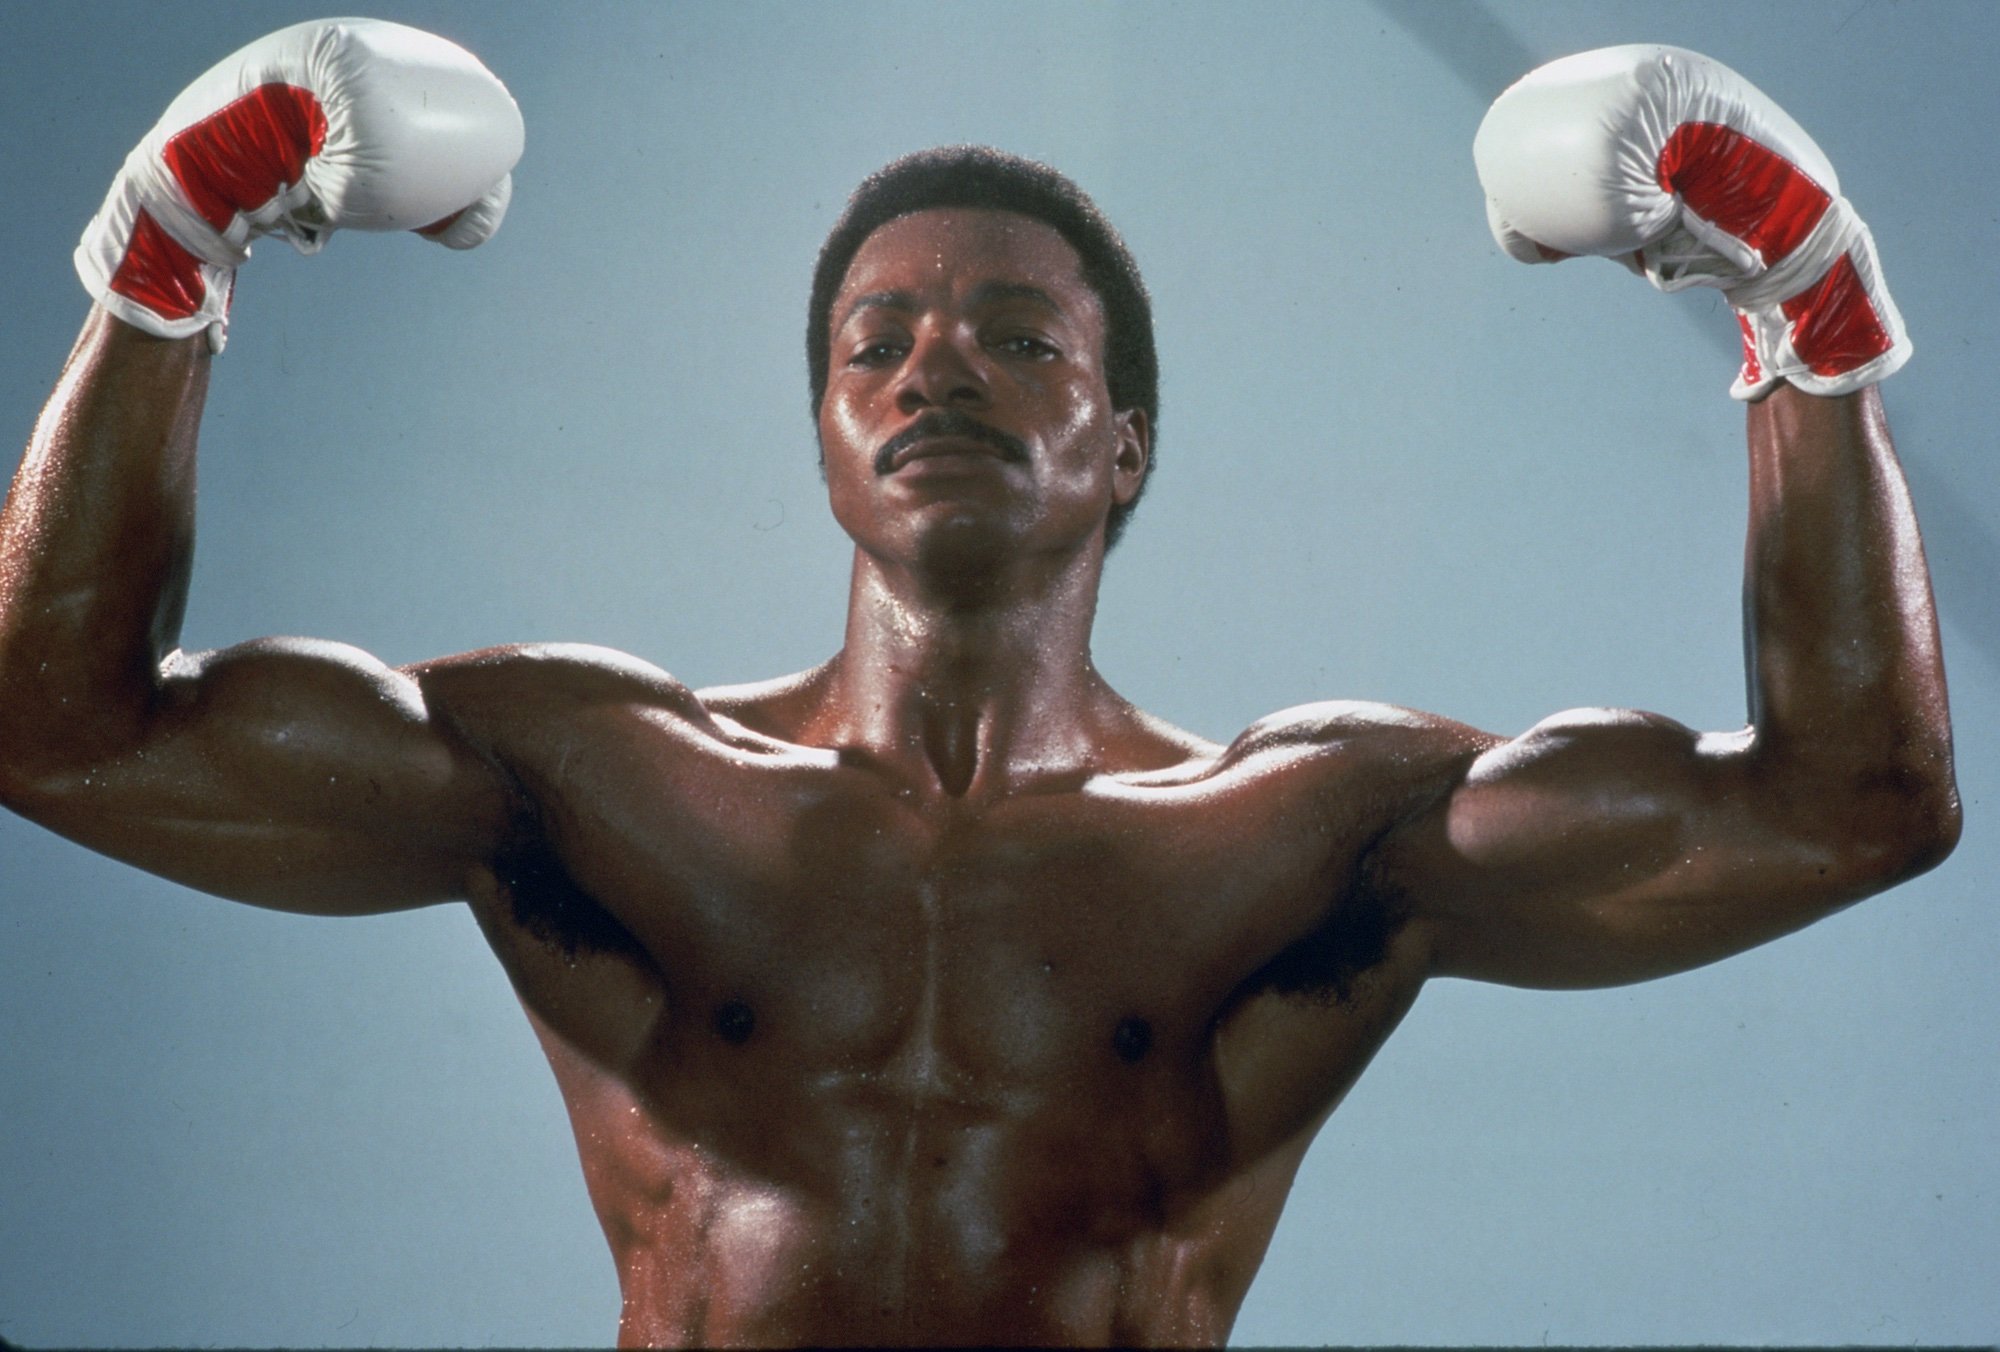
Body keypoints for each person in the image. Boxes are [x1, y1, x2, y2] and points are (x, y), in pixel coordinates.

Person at [0, 23, 1960, 1348]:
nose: (935, 366)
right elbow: (59, 729)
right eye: (878, 343)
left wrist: (1809, 305)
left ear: (1124, 449)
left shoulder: (1303, 831)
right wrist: (165, 257)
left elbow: (1848, 808)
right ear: (825, 444)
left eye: (1019, 338)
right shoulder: (597, 775)